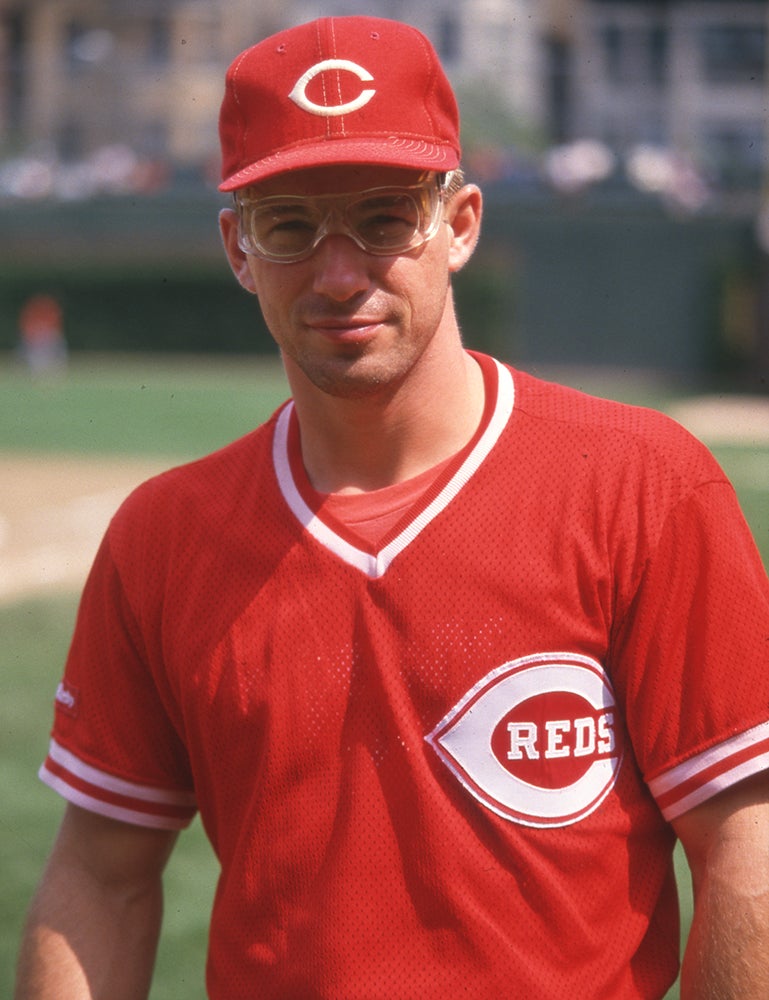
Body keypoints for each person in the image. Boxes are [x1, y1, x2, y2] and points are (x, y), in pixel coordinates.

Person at [14, 15, 769, 1000]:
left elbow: (743, 844)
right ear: (237, 246)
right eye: (290, 223)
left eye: (382, 218)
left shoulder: (642, 485)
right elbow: (100, 880)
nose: (339, 273)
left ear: (458, 225)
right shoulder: (163, 537)